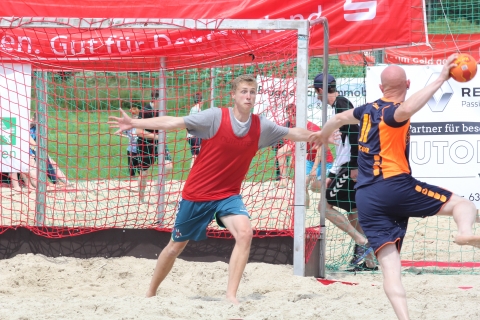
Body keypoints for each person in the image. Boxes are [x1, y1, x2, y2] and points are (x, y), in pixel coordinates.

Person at [108, 74, 317, 304]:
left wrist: (318, 135)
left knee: (245, 233)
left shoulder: (261, 125)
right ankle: (150, 292)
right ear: (234, 96)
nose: (248, 96)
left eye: (252, 92)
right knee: (173, 248)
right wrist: (135, 123)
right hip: (197, 194)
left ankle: (231, 296)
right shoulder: (215, 117)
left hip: (228, 195)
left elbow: (292, 133)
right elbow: (173, 122)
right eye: (244, 91)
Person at [309, 54, 480, 320]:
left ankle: (404, 318)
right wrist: (442, 78)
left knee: (390, 267)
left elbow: (338, 118)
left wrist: (321, 135)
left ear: (380, 88)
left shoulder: (365, 110)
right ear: (408, 84)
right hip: (395, 186)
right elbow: (408, 108)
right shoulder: (394, 113)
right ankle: (464, 234)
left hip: (366, 197)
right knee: (463, 204)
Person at [309, 73, 376, 270]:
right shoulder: (341, 104)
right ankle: (370, 260)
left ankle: (362, 242)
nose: (316, 96)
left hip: (350, 167)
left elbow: (355, 136)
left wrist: (353, 167)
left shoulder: (341, 105)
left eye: (315, 92)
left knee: (324, 207)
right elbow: (345, 144)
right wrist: (332, 174)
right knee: (353, 212)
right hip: (350, 165)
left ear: (319, 90)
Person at [276, 103, 334, 208]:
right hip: (310, 160)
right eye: (288, 114)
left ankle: (334, 189)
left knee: (314, 187)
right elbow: (292, 146)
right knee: (300, 184)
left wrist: (314, 169)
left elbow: (320, 149)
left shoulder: (311, 127)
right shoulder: (289, 126)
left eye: (293, 114)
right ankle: (304, 207)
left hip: (324, 161)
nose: (291, 117)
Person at [135, 91, 173, 202]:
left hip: (159, 144)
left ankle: (158, 184)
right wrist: (157, 137)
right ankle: (141, 198)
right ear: (155, 99)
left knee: (168, 166)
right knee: (144, 173)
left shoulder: (162, 111)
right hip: (144, 144)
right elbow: (138, 131)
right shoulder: (145, 111)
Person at [186, 92, 203, 168]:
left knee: (195, 156)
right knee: (196, 157)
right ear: (201, 101)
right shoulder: (197, 110)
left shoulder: (193, 109)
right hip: (195, 136)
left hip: (192, 136)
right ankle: (193, 174)